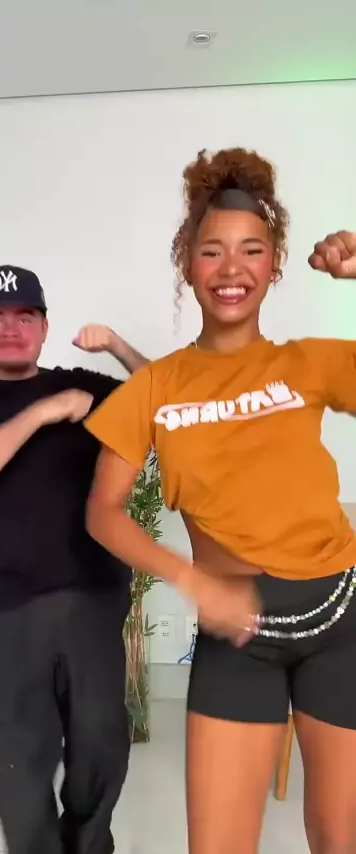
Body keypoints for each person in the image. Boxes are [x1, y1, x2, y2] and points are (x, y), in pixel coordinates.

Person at [83, 148, 356, 853]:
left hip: (341, 620)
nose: (232, 268)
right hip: (238, 636)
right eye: (212, 251)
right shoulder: (156, 386)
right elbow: (102, 511)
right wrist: (192, 579)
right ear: (188, 264)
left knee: (342, 838)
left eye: (251, 250)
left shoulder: (308, 362)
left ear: (275, 263)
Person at [0, 264, 148, 854]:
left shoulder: (85, 384)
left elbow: (171, 402)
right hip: (8, 611)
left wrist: (118, 346)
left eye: (25, 317)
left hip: (92, 601)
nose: (10, 329)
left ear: (44, 327)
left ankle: (89, 845)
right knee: (6, 764)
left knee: (100, 752)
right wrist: (42, 412)